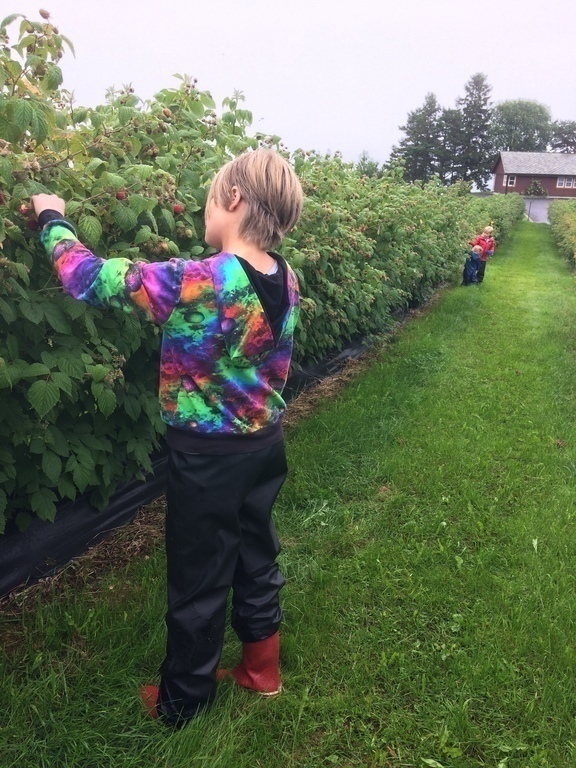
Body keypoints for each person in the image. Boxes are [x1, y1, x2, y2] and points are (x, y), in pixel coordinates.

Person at [30, 148, 304, 728]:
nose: (205, 208)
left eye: (209, 196)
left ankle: (183, 703)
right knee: (255, 555)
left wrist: (51, 218)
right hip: (263, 446)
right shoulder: (287, 277)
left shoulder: (198, 280)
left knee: (198, 575)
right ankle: (262, 670)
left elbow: (87, 277)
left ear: (233, 200)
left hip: (207, 459)